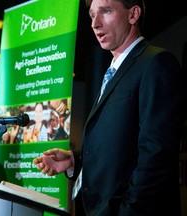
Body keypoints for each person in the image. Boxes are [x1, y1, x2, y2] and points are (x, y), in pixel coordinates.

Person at [33, 0, 185, 215]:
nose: (95, 23)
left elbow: (156, 155)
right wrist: (74, 162)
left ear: (133, 15)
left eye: (106, 11)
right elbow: (119, 148)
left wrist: (125, 210)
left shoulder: (156, 63)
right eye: (92, 15)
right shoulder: (113, 71)